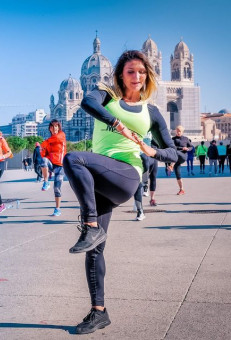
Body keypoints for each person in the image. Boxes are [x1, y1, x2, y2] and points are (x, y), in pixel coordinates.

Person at [65, 50, 179, 334]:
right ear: (119, 75)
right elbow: (86, 103)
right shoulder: (105, 95)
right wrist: (118, 124)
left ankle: (90, 224)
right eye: (131, 71)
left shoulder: (150, 111)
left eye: (142, 71)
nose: (137, 76)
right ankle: (98, 312)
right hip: (101, 176)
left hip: (127, 173)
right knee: (95, 251)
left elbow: (174, 153)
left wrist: (153, 151)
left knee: (73, 158)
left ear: (147, 76)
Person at [39, 119, 68, 216]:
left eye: (56, 126)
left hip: (60, 166)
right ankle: (46, 182)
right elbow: (44, 154)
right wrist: (42, 149)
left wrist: (44, 144)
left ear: (59, 127)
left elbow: (55, 139)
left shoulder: (61, 135)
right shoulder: (48, 141)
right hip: (52, 164)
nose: (55, 128)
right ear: (50, 128)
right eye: (52, 126)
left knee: (57, 188)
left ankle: (57, 209)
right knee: (43, 160)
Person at [171, 125, 192, 195]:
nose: (178, 132)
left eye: (179, 131)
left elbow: (191, 146)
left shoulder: (186, 139)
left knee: (176, 153)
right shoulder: (173, 139)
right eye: (177, 131)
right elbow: (173, 147)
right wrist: (182, 148)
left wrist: (187, 149)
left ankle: (171, 165)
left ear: (182, 132)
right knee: (178, 174)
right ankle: (181, 189)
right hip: (176, 158)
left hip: (183, 156)